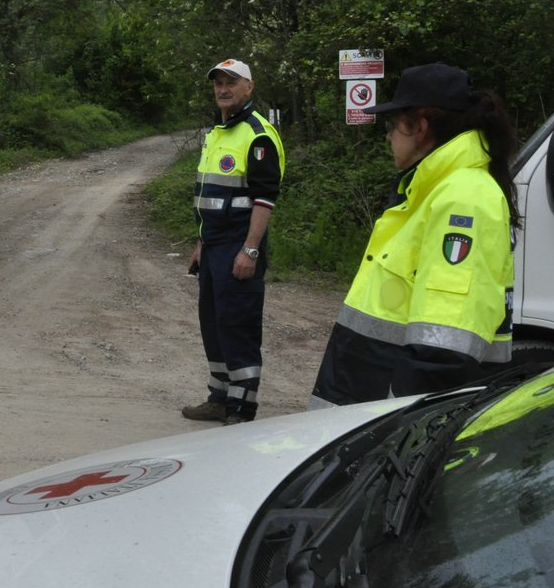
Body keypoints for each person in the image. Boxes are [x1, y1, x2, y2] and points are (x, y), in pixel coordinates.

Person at [310, 62, 518, 408]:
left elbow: (443, 349)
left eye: (393, 126)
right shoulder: (430, 191)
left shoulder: (463, 198)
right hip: (363, 404)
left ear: (420, 126)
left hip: (382, 422)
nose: (389, 137)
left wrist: (397, 432)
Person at [183, 58, 286, 424]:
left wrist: (250, 249)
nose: (223, 89)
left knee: (237, 324)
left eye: (232, 82)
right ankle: (219, 397)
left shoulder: (257, 134)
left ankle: (242, 409)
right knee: (213, 322)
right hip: (213, 244)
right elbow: (210, 196)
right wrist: (201, 241)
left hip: (238, 244)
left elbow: (264, 199)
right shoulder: (219, 132)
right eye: (218, 83)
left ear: (249, 87)